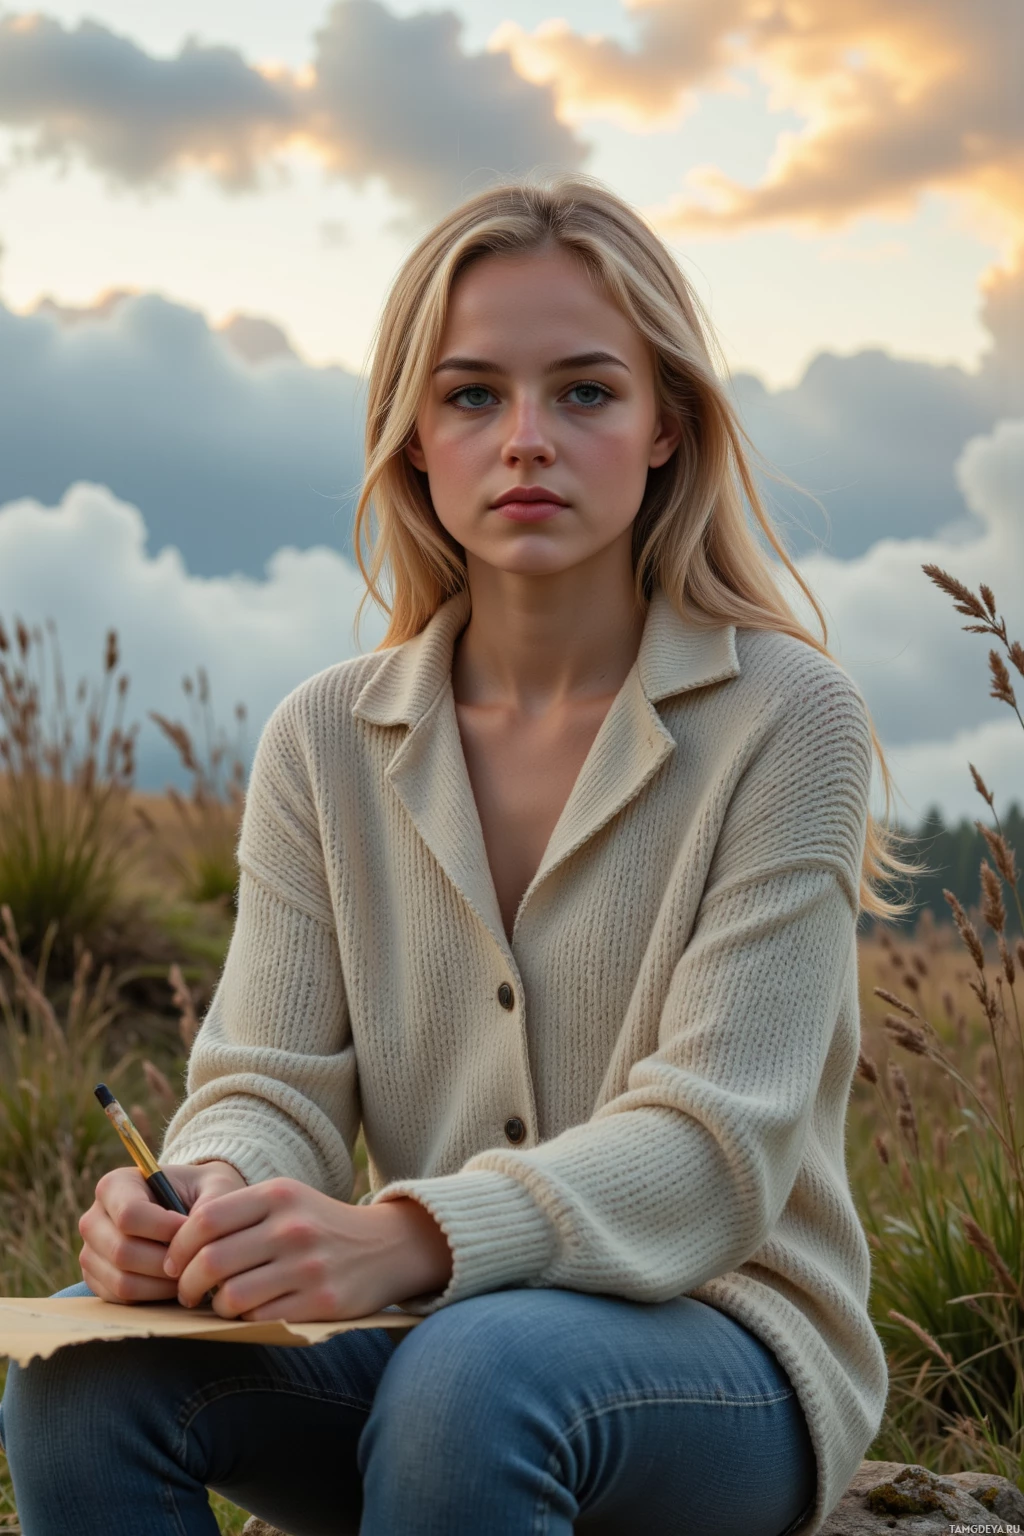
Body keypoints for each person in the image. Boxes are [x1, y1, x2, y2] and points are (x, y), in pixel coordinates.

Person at [0, 172, 917, 1536]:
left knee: (472, 1376)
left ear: (667, 424)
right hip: (428, 1335)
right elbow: (270, 1082)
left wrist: (405, 1239)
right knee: (88, 1362)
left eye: (586, 393)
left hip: (726, 1351)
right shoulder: (324, 738)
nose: (527, 439)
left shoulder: (790, 720)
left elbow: (718, 1146)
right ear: (413, 437)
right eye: (474, 394)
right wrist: (209, 1199)